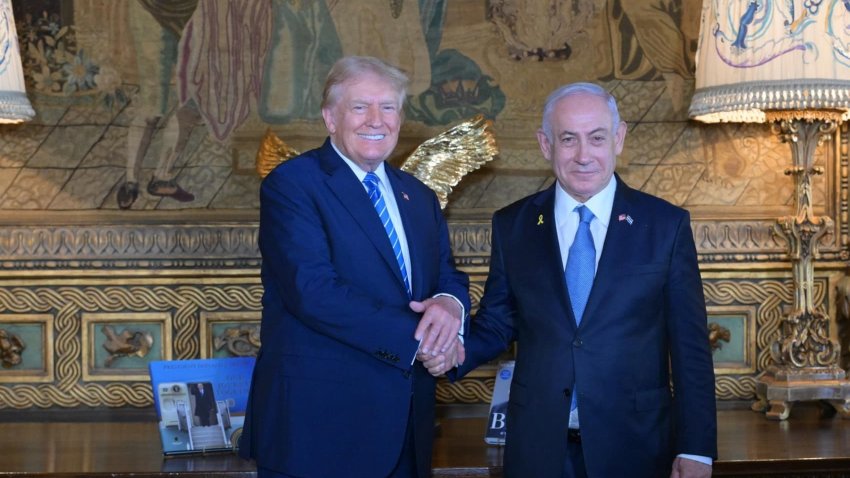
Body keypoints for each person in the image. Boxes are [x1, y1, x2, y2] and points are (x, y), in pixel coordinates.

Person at [423, 82, 717, 477]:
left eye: (596, 138)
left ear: (619, 138)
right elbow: (498, 320)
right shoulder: (514, 225)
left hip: (636, 446)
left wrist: (697, 449)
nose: (583, 155)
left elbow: (691, 349)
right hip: (538, 450)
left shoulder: (665, 225)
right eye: (568, 139)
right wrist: (455, 350)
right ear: (546, 145)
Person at [238, 56, 470, 478]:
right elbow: (313, 292)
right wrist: (426, 342)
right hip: (318, 429)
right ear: (330, 117)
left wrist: (451, 307)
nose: (376, 120)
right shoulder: (293, 185)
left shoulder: (417, 196)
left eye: (388, 107)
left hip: (406, 429)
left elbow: (447, 276)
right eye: (360, 107)